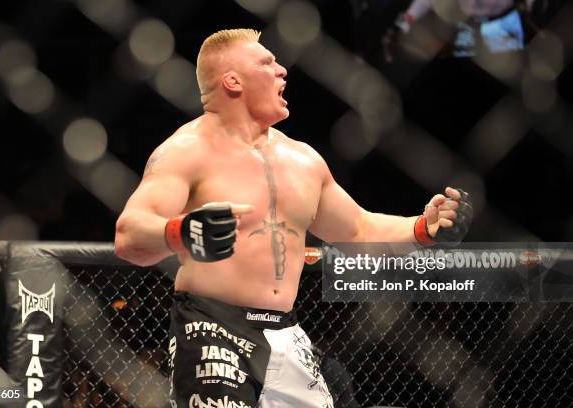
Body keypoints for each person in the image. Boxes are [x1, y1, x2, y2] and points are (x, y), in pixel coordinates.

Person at [114, 29, 472, 408]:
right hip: (212, 326)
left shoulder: (303, 160)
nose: (282, 70)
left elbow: (358, 230)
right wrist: (181, 231)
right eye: (267, 63)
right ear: (232, 80)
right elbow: (129, 234)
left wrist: (424, 229)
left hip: (286, 331)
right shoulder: (187, 151)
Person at [383, 0, 536, 61]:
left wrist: (528, 5)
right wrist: (398, 27)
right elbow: (421, 5)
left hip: (514, 14)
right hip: (485, 26)